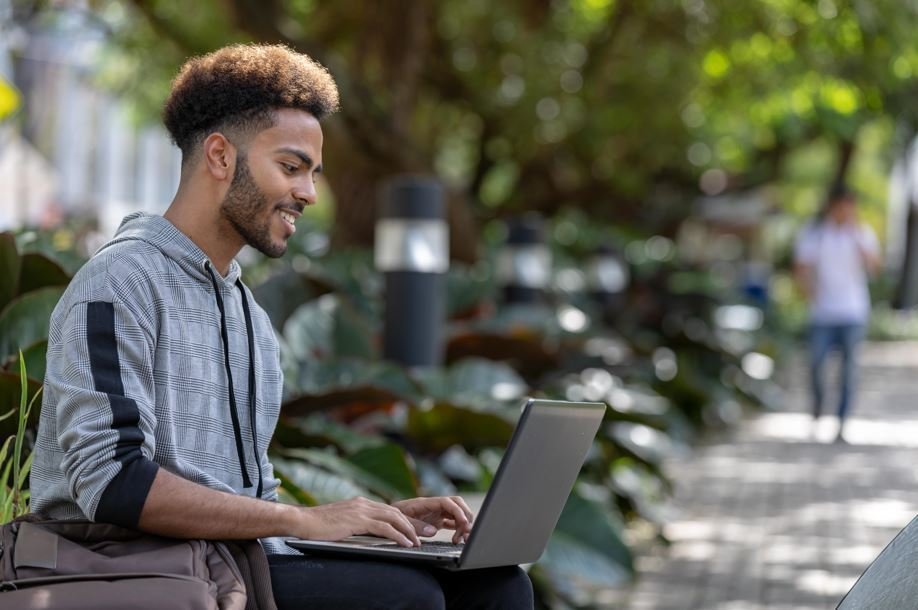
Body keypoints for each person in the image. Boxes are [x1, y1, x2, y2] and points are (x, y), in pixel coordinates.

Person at [30, 44, 533, 610]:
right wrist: (305, 519)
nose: (309, 194)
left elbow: (253, 496)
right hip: (131, 568)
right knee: (405, 598)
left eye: (313, 174)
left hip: (237, 562)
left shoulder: (248, 314)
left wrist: (373, 523)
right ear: (220, 156)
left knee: (498, 585)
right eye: (291, 167)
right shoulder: (121, 280)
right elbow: (112, 483)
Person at [793, 186, 881, 443]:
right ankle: (819, 407)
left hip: (853, 312)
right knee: (816, 364)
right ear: (831, 207)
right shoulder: (816, 234)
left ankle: (841, 422)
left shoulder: (863, 234)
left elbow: (875, 267)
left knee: (848, 371)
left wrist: (858, 240)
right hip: (822, 313)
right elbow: (801, 267)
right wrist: (810, 293)